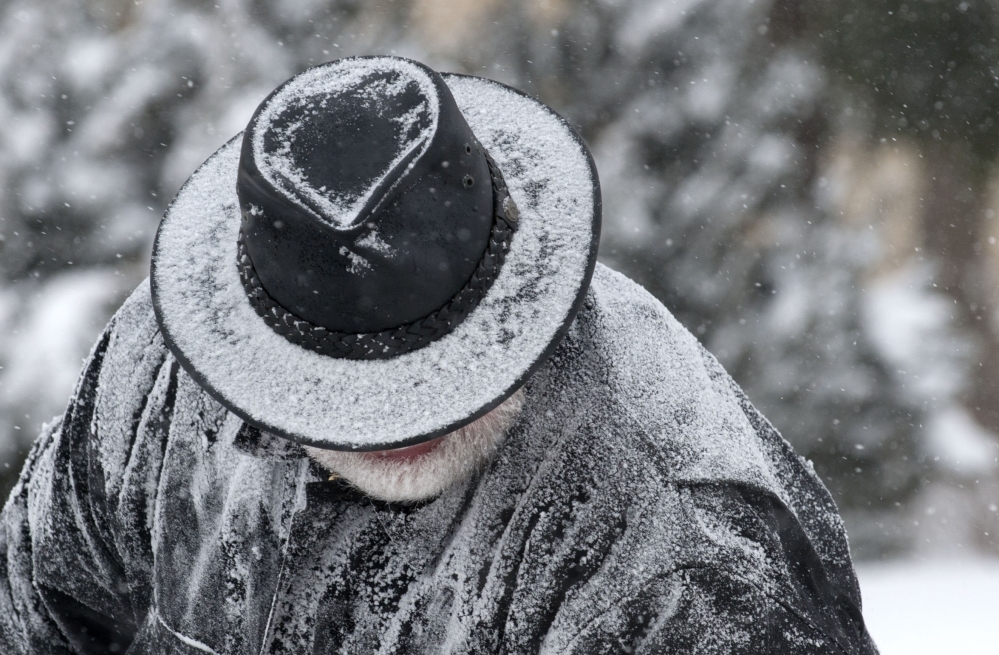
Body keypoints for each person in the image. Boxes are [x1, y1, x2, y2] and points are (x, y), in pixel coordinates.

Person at [0, 56, 877, 654]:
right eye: (332, 388)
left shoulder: (679, 560)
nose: (393, 423)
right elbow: (34, 608)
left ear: (523, 294)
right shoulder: (165, 368)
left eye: (430, 372)